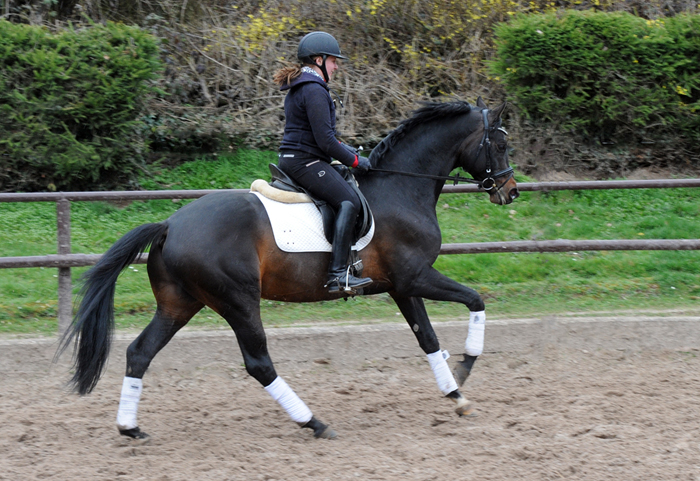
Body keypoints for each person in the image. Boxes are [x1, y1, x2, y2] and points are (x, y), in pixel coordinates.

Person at [273, 31, 373, 294]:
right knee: (348, 201)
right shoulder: (314, 90)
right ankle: (339, 275)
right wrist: (354, 161)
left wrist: (346, 150)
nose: (336, 66)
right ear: (318, 60)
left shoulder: (301, 87)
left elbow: (320, 138)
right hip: (305, 163)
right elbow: (326, 142)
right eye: (332, 61)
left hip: (298, 158)